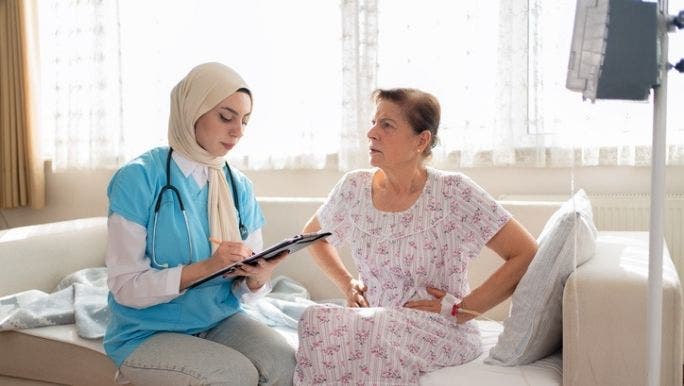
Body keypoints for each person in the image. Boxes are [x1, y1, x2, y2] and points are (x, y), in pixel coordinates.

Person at [294, 88, 538, 384]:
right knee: (314, 320)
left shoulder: (454, 192)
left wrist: (463, 310)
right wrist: (347, 284)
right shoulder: (353, 187)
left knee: (376, 331)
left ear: (421, 141)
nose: (371, 133)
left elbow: (526, 252)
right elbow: (312, 236)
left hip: (440, 329)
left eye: (387, 125)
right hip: (374, 319)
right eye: (374, 122)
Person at [103, 62, 296, 386]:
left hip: (218, 318)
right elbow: (125, 288)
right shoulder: (137, 179)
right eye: (226, 116)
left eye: (245, 121)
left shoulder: (238, 186)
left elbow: (246, 292)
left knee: (285, 362)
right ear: (192, 110)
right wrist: (208, 266)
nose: (238, 131)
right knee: (233, 375)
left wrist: (257, 279)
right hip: (146, 330)